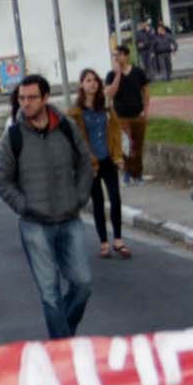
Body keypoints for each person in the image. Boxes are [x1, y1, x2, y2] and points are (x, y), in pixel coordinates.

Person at [0, 74, 98, 341]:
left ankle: (63, 336)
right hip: (34, 224)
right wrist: (23, 206)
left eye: (31, 98)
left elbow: (86, 162)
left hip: (69, 218)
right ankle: (63, 349)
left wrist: (80, 197)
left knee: (83, 284)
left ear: (45, 98)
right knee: (49, 293)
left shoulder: (66, 127)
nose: (25, 103)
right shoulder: (13, 136)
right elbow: (1, 179)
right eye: (21, 98)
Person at [74, 70, 129, 260]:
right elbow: (75, 140)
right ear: (81, 84)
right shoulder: (76, 112)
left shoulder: (105, 108)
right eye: (88, 80)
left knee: (115, 198)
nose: (93, 83)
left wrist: (118, 155)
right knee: (97, 202)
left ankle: (119, 240)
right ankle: (104, 243)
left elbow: (115, 132)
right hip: (90, 164)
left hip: (108, 160)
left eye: (95, 80)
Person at [109, 39, 152, 182]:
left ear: (126, 55)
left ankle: (137, 174)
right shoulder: (111, 75)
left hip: (137, 114)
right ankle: (127, 174)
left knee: (137, 145)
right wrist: (117, 75)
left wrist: (145, 110)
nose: (116, 58)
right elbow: (110, 94)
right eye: (114, 55)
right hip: (121, 116)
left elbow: (145, 91)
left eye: (119, 54)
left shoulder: (138, 72)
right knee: (126, 146)